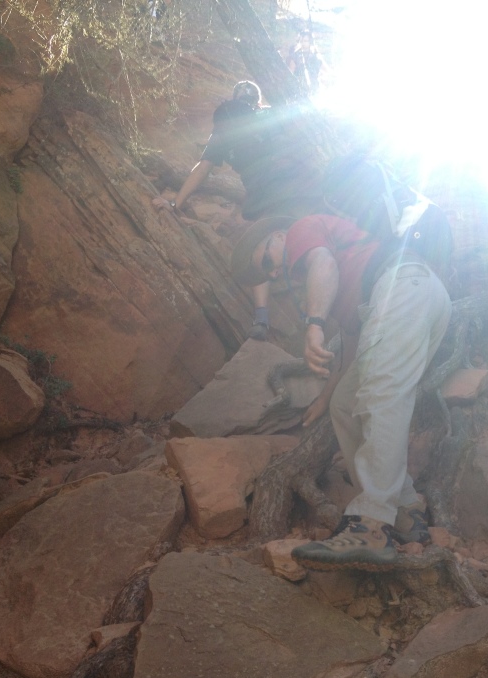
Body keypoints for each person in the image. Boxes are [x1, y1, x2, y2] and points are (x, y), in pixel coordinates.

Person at [231, 196, 452, 571]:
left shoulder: (303, 230)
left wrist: (313, 325)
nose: (272, 274)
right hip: (413, 295)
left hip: (403, 285)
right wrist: (326, 398)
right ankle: (405, 510)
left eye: (266, 261)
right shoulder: (339, 278)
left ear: (278, 235)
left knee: (382, 392)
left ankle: (370, 524)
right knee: (347, 404)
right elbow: (352, 343)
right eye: (265, 274)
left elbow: (323, 263)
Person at [152, 80, 320, 339]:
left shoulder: (224, 130)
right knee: (310, 241)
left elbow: (203, 168)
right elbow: (301, 132)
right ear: (256, 101)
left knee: (261, 247)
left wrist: (177, 202)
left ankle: (262, 319)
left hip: (266, 195)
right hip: (293, 185)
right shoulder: (265, 114)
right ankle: (314, 316)